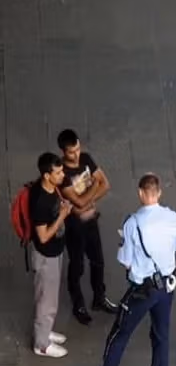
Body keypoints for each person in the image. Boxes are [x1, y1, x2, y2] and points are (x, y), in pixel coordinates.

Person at [87, 173, 176, 366]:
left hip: (142, 290)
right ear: (159, 192)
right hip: (167, 286)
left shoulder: (133, 223)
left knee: (119, 334)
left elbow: (125, 260)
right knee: (161, 335)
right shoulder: (173, 218)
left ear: (141, 193)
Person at [57, 128, 118, 325]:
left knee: (98, 260)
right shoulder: (62, 174)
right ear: (63, 152)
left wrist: (86, 201)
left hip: (90, 220)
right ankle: (78, 304)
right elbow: (78, 202)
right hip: (74, 227)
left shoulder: (86, 159)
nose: (76, 155)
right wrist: (92, 188)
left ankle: (99, 297)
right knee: (77, 265)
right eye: (71, 152)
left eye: (77, 149)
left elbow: (106, 184)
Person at [29, 153, 72, 358]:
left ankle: (45, 332)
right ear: (47, 175)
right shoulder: (40, 202)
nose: (62, 175)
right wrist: (62, 216)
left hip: (55, 252)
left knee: (50, 297)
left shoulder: (48, 187)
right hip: (46, 257)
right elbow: (43, 236)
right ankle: (42, 344)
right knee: (46, 301)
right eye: (58, 172)